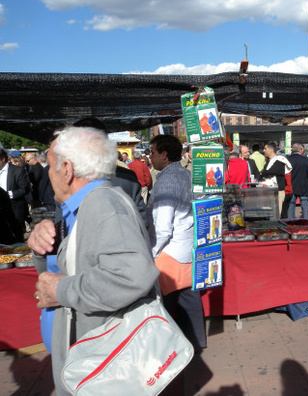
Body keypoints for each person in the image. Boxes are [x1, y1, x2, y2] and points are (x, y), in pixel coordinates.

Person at [28, 126, 159, 396]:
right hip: (89, 360)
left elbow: (132, 275)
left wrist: (61, 290)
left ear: (67, 169)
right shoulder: (84, 204)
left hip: (102, 366)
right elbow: (67, 268)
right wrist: (42, 248)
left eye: (50, 167)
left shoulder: (102, 204)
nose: (48, 175)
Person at [147, 134, 206, 352]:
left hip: (169, 250)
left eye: (152, 152)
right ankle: (196, 342)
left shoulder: (168, 179)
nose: (150, 157)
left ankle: (178, 349)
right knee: (189, 298)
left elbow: (163, 227)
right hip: (185, 244)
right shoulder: (186, 174)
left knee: (171, 303)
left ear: (164, 154)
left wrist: (152, 251)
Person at [0, 148, 30, 235]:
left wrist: (7, 194)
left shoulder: (17, 170)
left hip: (14, 207)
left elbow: (24, 189)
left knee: (17, 233)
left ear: (3, 159)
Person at [259, 142, 292, 216]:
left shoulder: (279, 160)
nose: (263, 150)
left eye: (265, 148)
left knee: (278, 214)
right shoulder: (269, 161)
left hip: (278, 192)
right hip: (270, 192)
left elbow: (271, 171)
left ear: (271, 150)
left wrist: (264, 173)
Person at [287, 143, 308, 219]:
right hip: (304, 186)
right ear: (300, 150)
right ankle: (306, 224)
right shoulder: (306, 160)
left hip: (291, 186)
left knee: (291, 205)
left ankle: (290, 224)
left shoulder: (288, 160)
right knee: (305, 206)